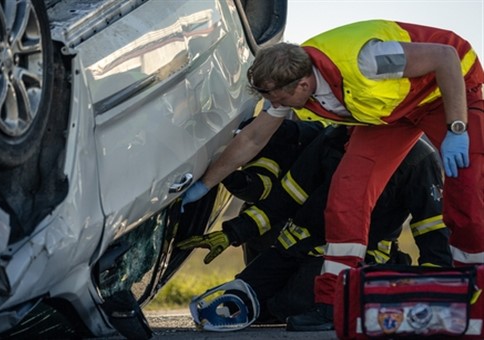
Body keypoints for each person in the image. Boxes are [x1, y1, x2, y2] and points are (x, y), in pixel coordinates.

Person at [180, 20, 484, 329]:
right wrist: (204, 185)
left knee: (468, 196)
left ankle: (477, 295)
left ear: (302, 86)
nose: (276, 106)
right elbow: (252, 139)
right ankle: (333, 303)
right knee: (347, 195)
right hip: (393, 113)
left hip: (448, 90)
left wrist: (456, 128)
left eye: (279, 100)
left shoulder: (369, 60)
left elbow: (446, 57)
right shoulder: (294, 80)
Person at [179, 123, 452, 330]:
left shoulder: (417, 157)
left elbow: (431, 227)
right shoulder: (333, 138)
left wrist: (438, 290)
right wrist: (232, 233)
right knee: (238, 300)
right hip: (295, 248)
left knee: (288, 308)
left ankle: (375, 291)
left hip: (352, 258)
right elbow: (286, 198)